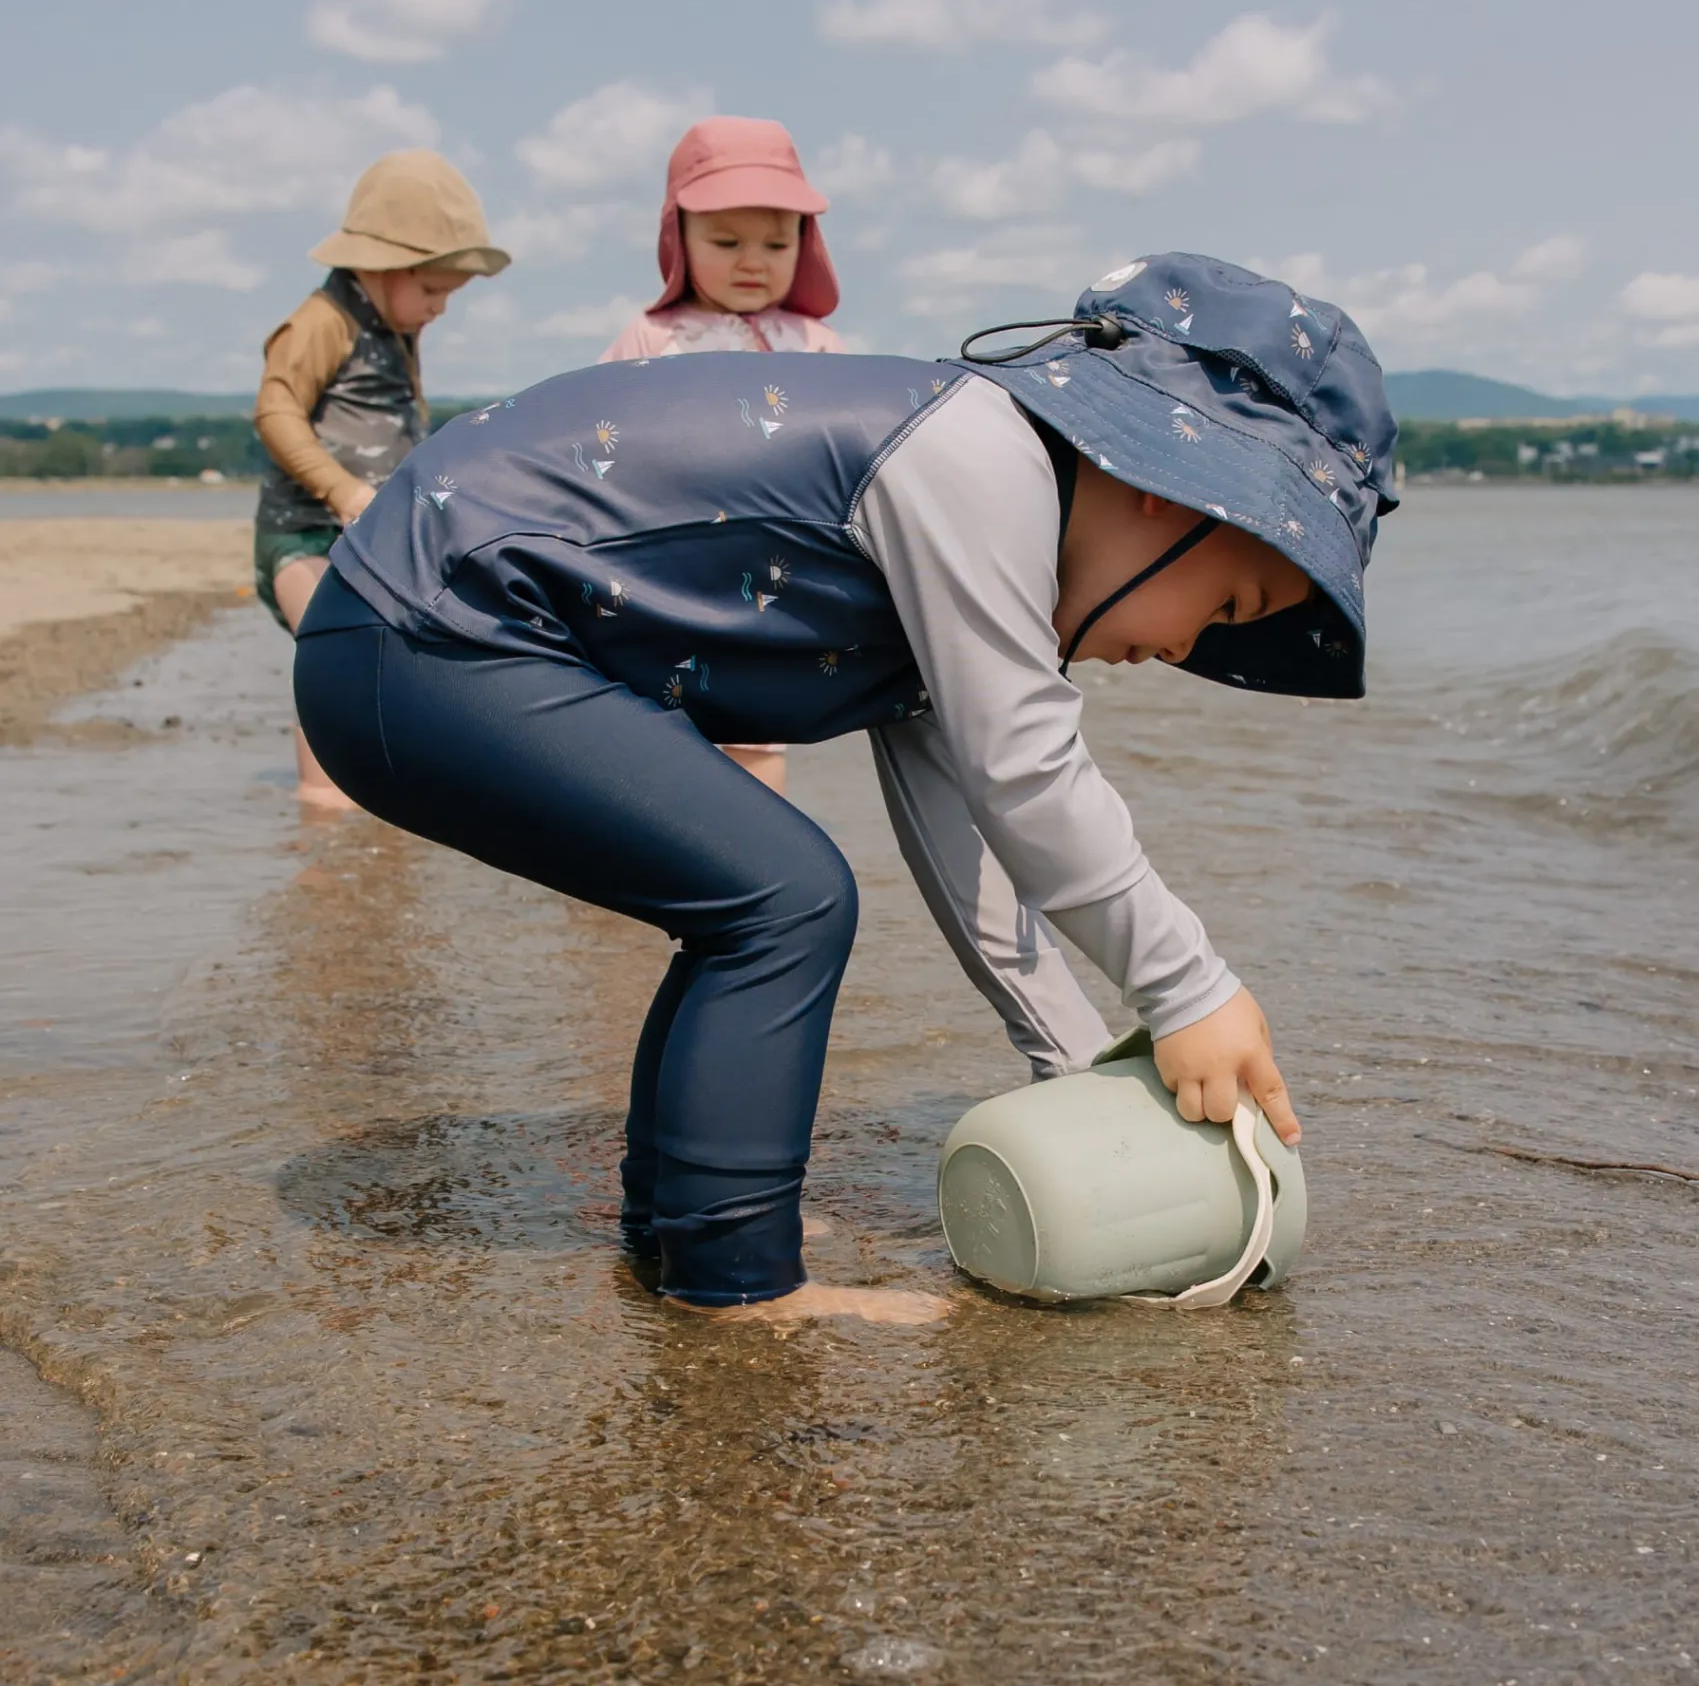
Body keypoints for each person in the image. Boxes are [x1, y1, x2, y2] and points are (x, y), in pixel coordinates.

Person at [292, 253, 1398, 1324]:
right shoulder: (981, 463)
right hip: (431, 627)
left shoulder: (974, 523)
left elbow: (970, 834)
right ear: (1171, 491)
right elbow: (1029, 773)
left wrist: (1073, 1065)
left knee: (753, 894)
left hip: (418, 632)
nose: (1189, 649)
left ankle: (687, 1228)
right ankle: (735, 1280)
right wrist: (1190, 990)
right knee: (784, 897)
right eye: (1230, 606)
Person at [253, 149, 509, 808]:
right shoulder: (323, 321)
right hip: (304, 533)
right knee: (330, 651)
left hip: (372, 536)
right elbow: (275, 410)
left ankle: (384, 794)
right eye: (433, 291)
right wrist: (341, 491)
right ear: (381, 267)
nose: (440, 309)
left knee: (395, 660)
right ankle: (321, 803)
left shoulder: (393, 326)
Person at [599, 116, 847, 796]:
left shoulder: (819, 346)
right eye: (727, 241)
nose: (753, 261)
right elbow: (593, 446)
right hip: (660, 579)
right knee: (645, 740)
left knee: (755, 741)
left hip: (771, 586)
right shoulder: (650, 339)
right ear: (678, 236)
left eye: (777, 242)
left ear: (806, 242)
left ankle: (759, 856)